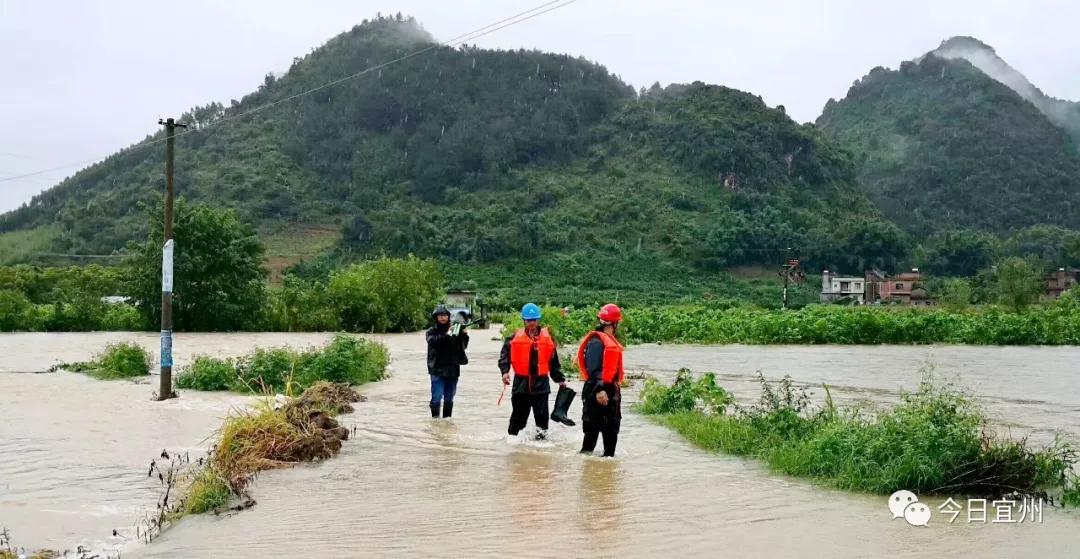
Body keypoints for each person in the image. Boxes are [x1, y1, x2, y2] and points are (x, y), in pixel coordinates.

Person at [498, 303, 566, 439]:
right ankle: (513, 443)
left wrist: (560, 380)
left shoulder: (548, 339)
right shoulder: (513, 338)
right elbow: (504, 357)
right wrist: (505, 372)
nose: (532, 323)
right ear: (524, 320)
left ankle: (541, 447)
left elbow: (553, 362)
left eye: (534, 320)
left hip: (541, 384)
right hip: (521, 383)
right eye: (529, 320)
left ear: (538, 320)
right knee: (518, 418)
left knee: (542, 420)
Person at [577, 303, 624, 457]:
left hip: (611, 392)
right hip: (597, 392)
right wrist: (599, 390)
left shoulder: (608, 341)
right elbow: (594, 369)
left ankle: (606, 477)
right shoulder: (596, 342)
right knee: (590, 437)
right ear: (615, 323)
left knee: (611, 438)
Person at [426, 304, 469, 418]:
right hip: (437, 369)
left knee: (449, 398)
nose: (442, 318)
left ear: (448, 316)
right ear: (436, 317)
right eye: (440, 316)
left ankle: (447, 422)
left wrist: (464, 335)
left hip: (452, 369)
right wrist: (447, 334)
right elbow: (433, 343)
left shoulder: (456, 329)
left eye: (444, 315)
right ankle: (435, 421)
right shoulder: (431, 331)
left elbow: (463, 346)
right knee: (437, 396)